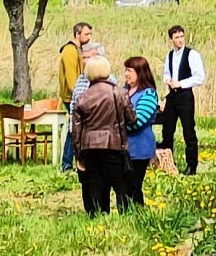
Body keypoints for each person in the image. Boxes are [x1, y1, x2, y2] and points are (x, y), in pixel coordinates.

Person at [70, 54, 128, 216]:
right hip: (113, 144)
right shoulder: (119, 93)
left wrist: (78, 154)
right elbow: (131, 117)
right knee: (119, 182)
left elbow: (76, 130)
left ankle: (96, 215)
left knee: (95, 182)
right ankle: (126, 215)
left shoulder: (82, 97)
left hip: (89, 146)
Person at [157, 25, 204, 175]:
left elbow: (199, 77)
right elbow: (166, 72)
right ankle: (168, 163)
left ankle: (191, 165)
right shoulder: (169, 55)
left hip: (185, 96)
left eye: (182, 36)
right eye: (176, 37)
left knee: (188, 130)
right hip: (172, 95)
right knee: (167, 130)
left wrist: (181, 83)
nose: (180, 40)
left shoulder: (192, 54)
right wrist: (168, 80)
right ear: (171, 39)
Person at [119, 54, 162, 208]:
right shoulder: (123, 91)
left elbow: (138, 121)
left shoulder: (148, 94)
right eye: (125, 70)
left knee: (134, 186)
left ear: (140, 72)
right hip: (123, 148)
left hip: (139, 148)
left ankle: (137, 216)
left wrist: (117, 128)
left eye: (130, 70)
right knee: (122, 188)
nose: (126, 74)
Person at [57, 21, 99, 172]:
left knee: (76, 130)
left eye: (90, 34)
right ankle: (67, 164)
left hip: (79, 95)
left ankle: (75, 163)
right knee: (73, 130)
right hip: (73, 97)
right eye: (86, 34)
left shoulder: (78, 49)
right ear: (77, 34)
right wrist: (79, 95)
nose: (89, 37)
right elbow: (71, 79)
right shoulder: (70, 50)